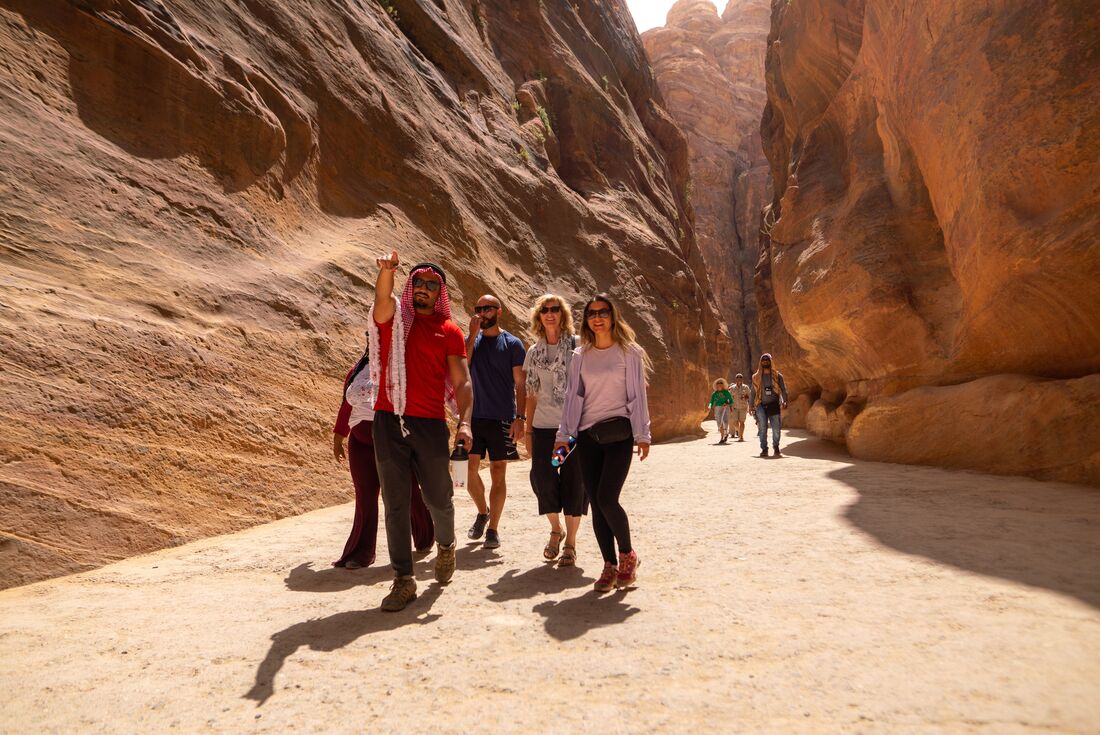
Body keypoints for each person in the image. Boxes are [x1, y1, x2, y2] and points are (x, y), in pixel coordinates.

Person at [367, 250, 474, 612]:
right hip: (387, 419)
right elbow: (382, 301)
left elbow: (462, 383)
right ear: (410, 287)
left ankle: (446, 545)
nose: (425, 289)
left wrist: (466, 422)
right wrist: (387, 271)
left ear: (439, 292)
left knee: (437, 498)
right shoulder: (395, 321)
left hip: (429, 424)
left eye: (432, 285)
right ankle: (403, 580)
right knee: (395, 503)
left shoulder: (449, 331)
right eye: (419, 283)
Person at [556, 293, 651, 592]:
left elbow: (637, 396)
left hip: (619, 435)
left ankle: (627, 555)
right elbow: (573, 398)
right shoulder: (579, 356)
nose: (597, 317)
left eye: (603, 312)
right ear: (586, 320)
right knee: (596, 505)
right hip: (587, 436)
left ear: (613, 316)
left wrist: (643, 434)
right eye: (592, 313)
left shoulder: (629, 352)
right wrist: (564, 438)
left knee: (608, 497)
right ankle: (609, 565)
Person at [332, 346, 434, 569]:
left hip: (393, 441)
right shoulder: (357, 370)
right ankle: (361, 553)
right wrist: (339, 436)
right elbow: (346, 404)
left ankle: (425, 535)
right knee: (365, 495)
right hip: (360, 442)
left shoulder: (401, 369)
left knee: (407, 491)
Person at [522, 294, 586, 567]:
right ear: (539, 317)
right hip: (545, 429)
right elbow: (531, 394)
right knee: (542, 478)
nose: (550, 314)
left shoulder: (577, 348)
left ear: (563, 315)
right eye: (545, 310)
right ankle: (555, 528)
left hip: (572, 429)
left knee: (574, 483)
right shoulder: (533, 353)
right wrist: (528, 432)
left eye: (555, 310)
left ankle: (570, 543)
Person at [464, 294, 526, 550]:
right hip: (473, 417)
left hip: (502, 416)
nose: (482, 313)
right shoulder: (472, 341)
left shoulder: (512, 344)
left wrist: (520, 418)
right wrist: (471, 334)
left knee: (498, 472)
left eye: (487, 309)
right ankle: (482, 512)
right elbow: (462, 365)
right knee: (466, 471)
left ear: (499, 312)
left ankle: (493, 529)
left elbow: (521, 384)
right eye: (478, 309)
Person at [751, 353, 788, 457]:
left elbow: (783, 389)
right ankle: (764, 449)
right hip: (760, 405)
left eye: (767, 360)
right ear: (760, 362)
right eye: (763, 360)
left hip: (774, 404)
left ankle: (776, 446)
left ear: (771, 361)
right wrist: (750, 406)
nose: (765, 361)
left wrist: (785, 400)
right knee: (762, 428)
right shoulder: (756, 377)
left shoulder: (777, 376)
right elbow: (753, 392)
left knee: (776, 428)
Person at [707, 378, 734, 443]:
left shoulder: (726, 392)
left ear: (723, 385)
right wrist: (709, 406)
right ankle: (725, 434)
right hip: (717, 408)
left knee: (725, 421)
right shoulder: (714, 394)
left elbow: (731, 401)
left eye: (721, 383)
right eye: (718, 383)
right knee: (719, 423)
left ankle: (723, 437)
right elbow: (711, 401)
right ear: (716, 385)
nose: (719, 384)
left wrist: (727, 404)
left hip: (725, 408)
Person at [730, 372, 751, 442]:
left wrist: (745, 397)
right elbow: (729, 397)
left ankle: (741, 436)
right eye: (738, 377)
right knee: (735, 422)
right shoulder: (732, 388)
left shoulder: (746, 387)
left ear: (742, 379)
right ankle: (738, 431)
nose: (739, 378)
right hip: (734, 407)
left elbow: (749, 396)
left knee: (742, 422)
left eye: (740, 377)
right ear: (735, 379)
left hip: (743, 407)